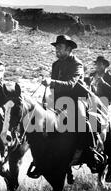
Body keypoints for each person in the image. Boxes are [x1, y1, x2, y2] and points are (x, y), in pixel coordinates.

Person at [28, 35, 106, 178]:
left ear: (69, 49)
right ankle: (41, 159)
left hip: (77, 99)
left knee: (82, 121)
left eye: (60, 48)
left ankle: (90, 153)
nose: (57, 50)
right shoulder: (56, 64)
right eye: (56, 47)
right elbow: (55, 86)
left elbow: (71, 84)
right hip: (59, 100)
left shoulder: (77, 64)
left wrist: (52, 82)